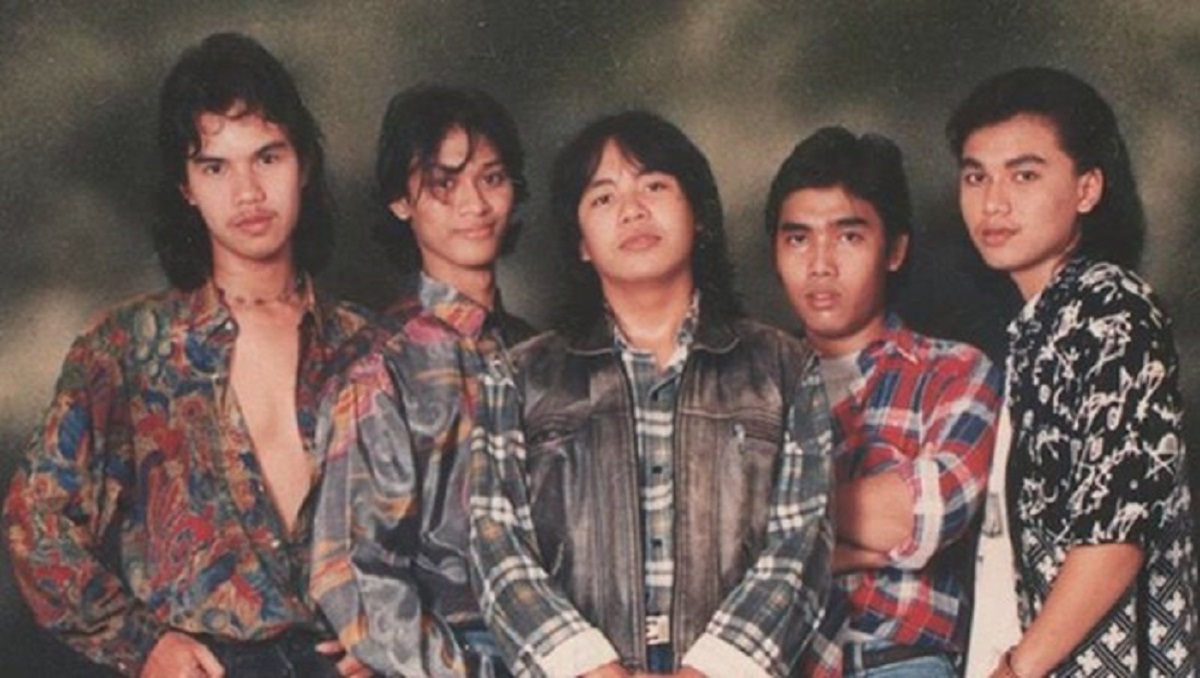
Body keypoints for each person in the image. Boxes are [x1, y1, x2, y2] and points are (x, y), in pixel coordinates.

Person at [2, 33, 376, 677]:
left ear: (304, 163)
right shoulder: (128, 347)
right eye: (215, 167)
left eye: (267, 157)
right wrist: (143, 644)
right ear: (185, 186)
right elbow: (36, 524)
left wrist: (396, 629)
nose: (248, 192)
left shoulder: (369, 347)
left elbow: (453, 529)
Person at [469, 110, 834, 677]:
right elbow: (497, 546)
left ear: (699, 214)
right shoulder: (518, 377)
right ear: (581, 242)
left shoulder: (785, 367)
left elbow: (801, 545)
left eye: (655, 186)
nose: (633, 210)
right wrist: (593, 671)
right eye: (603, 197)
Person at [948, 66, 1197, 677]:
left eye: (1025, 175)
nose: (993, 202)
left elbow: (1117, 531)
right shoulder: (1044, 321)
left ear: (1087, 189)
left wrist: (1020, 667)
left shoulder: (1111, 309)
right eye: (976, 176)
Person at [309, 85, 535, 676]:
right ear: (400, 201)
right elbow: (352, 570)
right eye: (444, 184)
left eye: (491, 178)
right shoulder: (381, 366)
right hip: (456, 654)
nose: (474, 204)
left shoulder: (542, 354)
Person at [766, 127, 1002, 677]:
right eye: (798, 239)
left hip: (898, 662)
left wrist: (771, 523)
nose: (820, 264)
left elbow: (927, 516)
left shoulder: (954, 371)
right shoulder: (750, 383)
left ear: (894, 250)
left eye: (848, 237)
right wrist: (849, 536)